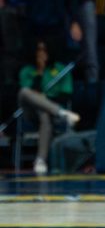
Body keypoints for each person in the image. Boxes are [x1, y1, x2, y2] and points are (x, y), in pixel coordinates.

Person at [17, 39, 79, 175]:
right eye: (38, 50)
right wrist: (39, 73)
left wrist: (47, 100)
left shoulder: (60, 70)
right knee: (24, 92)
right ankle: (62, 112)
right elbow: (28, 92)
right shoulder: (27, 71)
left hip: (49, 114)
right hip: (29, 113)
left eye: (44, 50)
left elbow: (66, 94)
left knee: (44, 113)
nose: (41, 53)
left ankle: (40, 160)